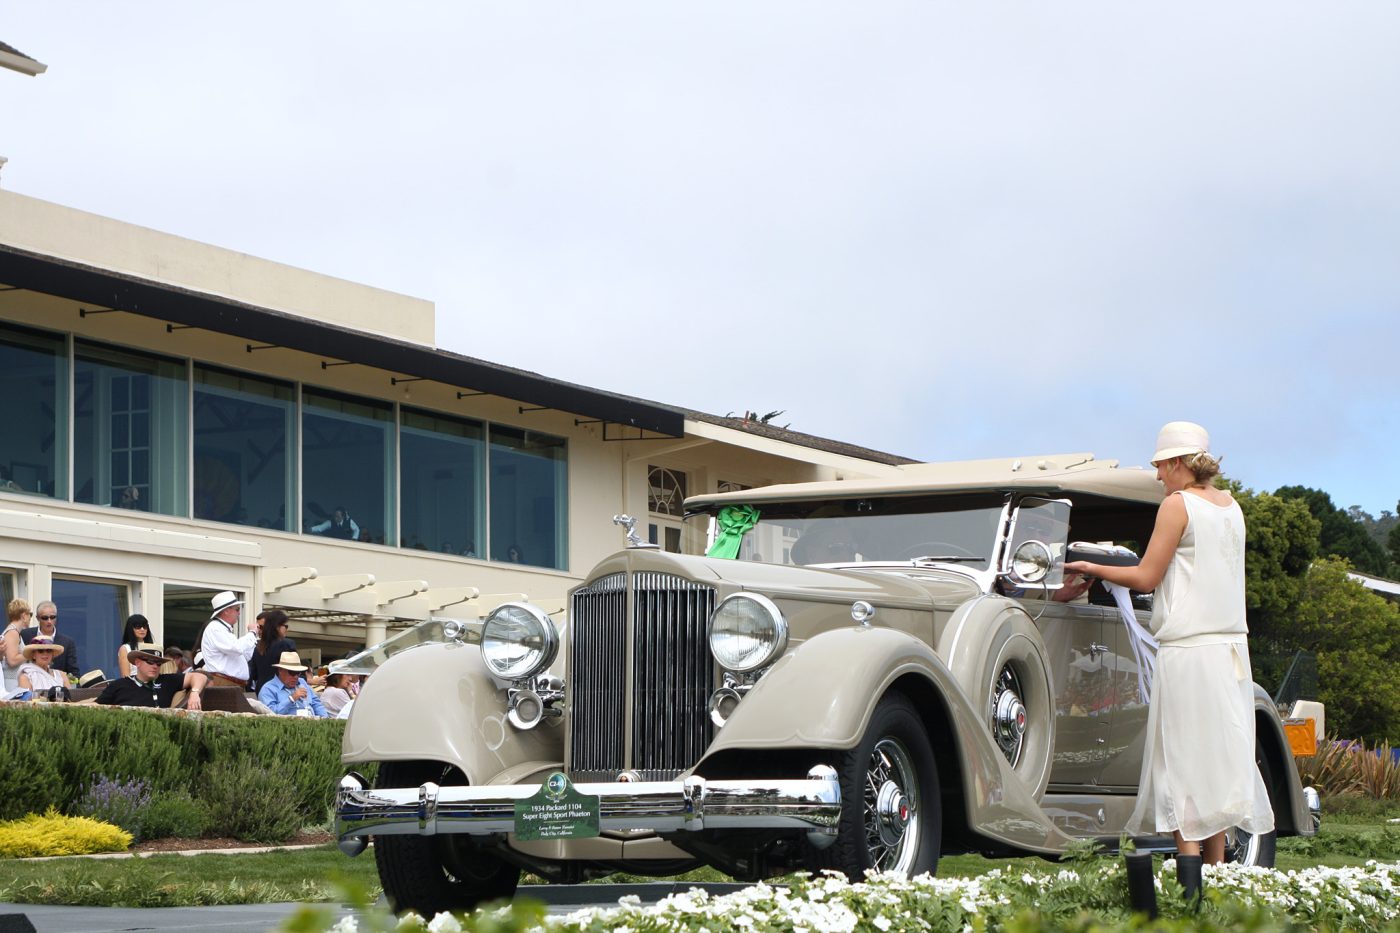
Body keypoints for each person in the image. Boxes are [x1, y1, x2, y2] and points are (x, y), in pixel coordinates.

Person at [1064, 421, 1273, 895]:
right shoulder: (1231, 506)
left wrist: (1091, 566)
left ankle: (1189, 882)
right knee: (1216, 763)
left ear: (1178, 463)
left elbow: (1147, 576)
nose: (1158, 476)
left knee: (1181, 764)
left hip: (1190, 650)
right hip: (1231, 651)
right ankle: (1217, 883)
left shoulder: (1177, 506)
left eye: (1160, 465)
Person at [96, 642, 208, 710]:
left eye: (158, 663)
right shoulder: (119, 685)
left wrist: (194, 692)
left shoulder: (167, 680)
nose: (155, 666)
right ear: (138, 662)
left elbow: (200, 677)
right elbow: (95, 706)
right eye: (150, 661)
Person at [194, 591, 259, 689]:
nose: (239, 613)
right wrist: (252, 633)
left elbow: (245, 655)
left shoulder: (221, 629)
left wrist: (254, 638)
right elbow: (237, 648)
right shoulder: (216, 628)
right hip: (223, 683)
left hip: (229, 683)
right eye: (237, 609)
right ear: (226, 611)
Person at [257, 650, 329, 717]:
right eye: (292, 673)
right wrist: (291, 699)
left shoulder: (301, 682)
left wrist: (326, 721)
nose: (295, 677)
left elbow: (316, 704)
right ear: (280, 670)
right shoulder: (268, 689)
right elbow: (271, 715)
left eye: (298, 673)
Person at [21, 601, 80, 680]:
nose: (49, 621)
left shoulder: (67, 642)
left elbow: (74, 673)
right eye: (45, 618)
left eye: (52, 617)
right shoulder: (25, 635)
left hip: (56, 688)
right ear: (37, 618)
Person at [249, 609, 296, 693]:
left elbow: (254, 674)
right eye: (285, 626)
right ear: (277, 627)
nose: (286, 629)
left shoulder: (258, 647)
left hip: (262, 690)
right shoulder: (286, 644)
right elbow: (293, 670)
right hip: (281, 691)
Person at [3, 598, 31, 693]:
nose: (30, 618)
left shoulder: (15, 632)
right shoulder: (12, 632)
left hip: (14, 681)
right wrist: (30, 653)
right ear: (23, 616)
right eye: (30, 614)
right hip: (11, 683)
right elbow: (12, 660)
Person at [117, 614, 151, 678]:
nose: (142, 629)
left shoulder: (152, 647)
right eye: (138, 626)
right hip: (133, 685)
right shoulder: (125, 648)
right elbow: (125, 677)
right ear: (130, 628)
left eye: (145, 626)